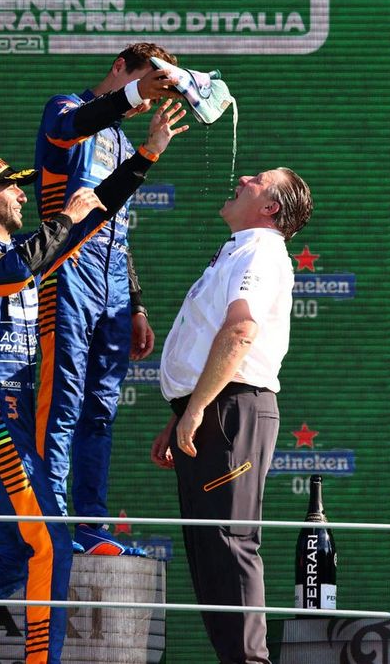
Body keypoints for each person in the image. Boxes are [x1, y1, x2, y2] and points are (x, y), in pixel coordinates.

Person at [0, 100, 187, 664]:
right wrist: (70, 217)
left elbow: (92, 214)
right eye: (11, 188)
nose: (23, 194)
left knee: (15, 554)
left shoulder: (17, 250)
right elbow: (22, 267)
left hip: (15, 419)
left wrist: (146, 154)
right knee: (51, 543)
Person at [151, 168, 313, 664]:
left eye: (259, 179)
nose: (243, 177)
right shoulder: (242, 247)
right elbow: (211, 343)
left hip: (230, 410)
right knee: (210, 552)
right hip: (216, 407)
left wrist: (197, 407)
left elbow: (241, 331)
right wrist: (184, 408)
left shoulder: (261, 249)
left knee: (230, 541)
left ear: (270, 208)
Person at [33, 43, 181, 555]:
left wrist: (135, 302)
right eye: (142, 85)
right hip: (66, 267)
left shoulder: (121, 139)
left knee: (101, 408)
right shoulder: (66, 109)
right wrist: (137, 94)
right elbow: (71, 128)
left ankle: (90, 527)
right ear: (120, 67)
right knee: (62, 403)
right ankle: (50, 526)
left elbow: (117, 223)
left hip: (112, 278)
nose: (143, 102)